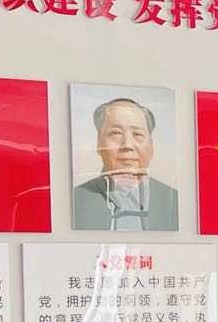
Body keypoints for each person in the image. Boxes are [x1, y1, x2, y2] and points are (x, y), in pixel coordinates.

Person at [71, 96, 179, 231]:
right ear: (99, 143)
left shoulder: (174, 201)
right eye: (116, 133)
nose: (127, 145)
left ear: (151, 146)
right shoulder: (75, 200)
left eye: (137, 134)